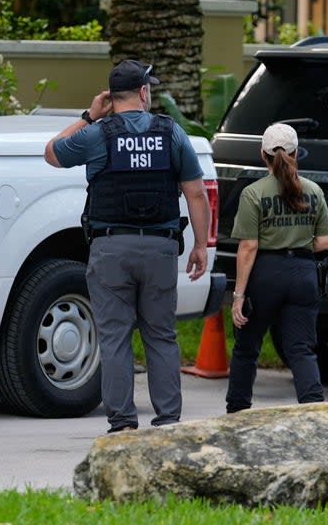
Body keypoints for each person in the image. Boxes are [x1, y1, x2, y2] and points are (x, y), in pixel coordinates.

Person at [44, 59, 210, 432]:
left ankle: (122, 424)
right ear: (144, 92)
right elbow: (196, 194)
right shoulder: (171, 133)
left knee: (115, 337)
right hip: (160, 249)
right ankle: (168, 420)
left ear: (111, 97)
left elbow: (52, 153)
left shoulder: (97, 134)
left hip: (110, 251)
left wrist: (88, 115)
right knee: (161, 335)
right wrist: (200, 245)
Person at [225, 123, 328, 412]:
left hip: (265, 274)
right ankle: (314, 410)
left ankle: (237, 412)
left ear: (263, 155)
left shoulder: (253, 193)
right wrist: (298, 244)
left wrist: (238, 296)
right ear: (296, 154)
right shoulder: (313, 191)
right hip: (303, 273)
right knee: (301, 349)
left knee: (247, 348)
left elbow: (248, 247)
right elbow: (325, 241)